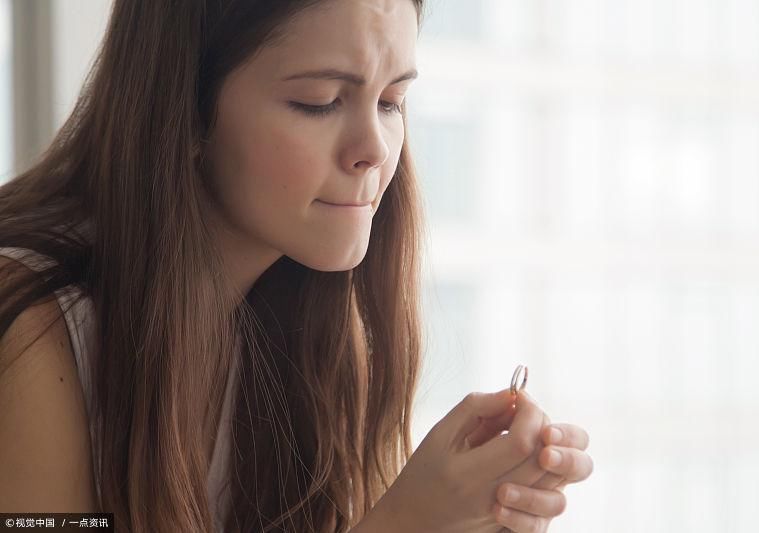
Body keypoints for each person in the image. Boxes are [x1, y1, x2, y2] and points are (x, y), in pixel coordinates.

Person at [0, 1, 594, 532]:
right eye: (321, 102)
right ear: (184, 108)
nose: (376, 150)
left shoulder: (313, 331)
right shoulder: (33, 328)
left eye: (392, 102)